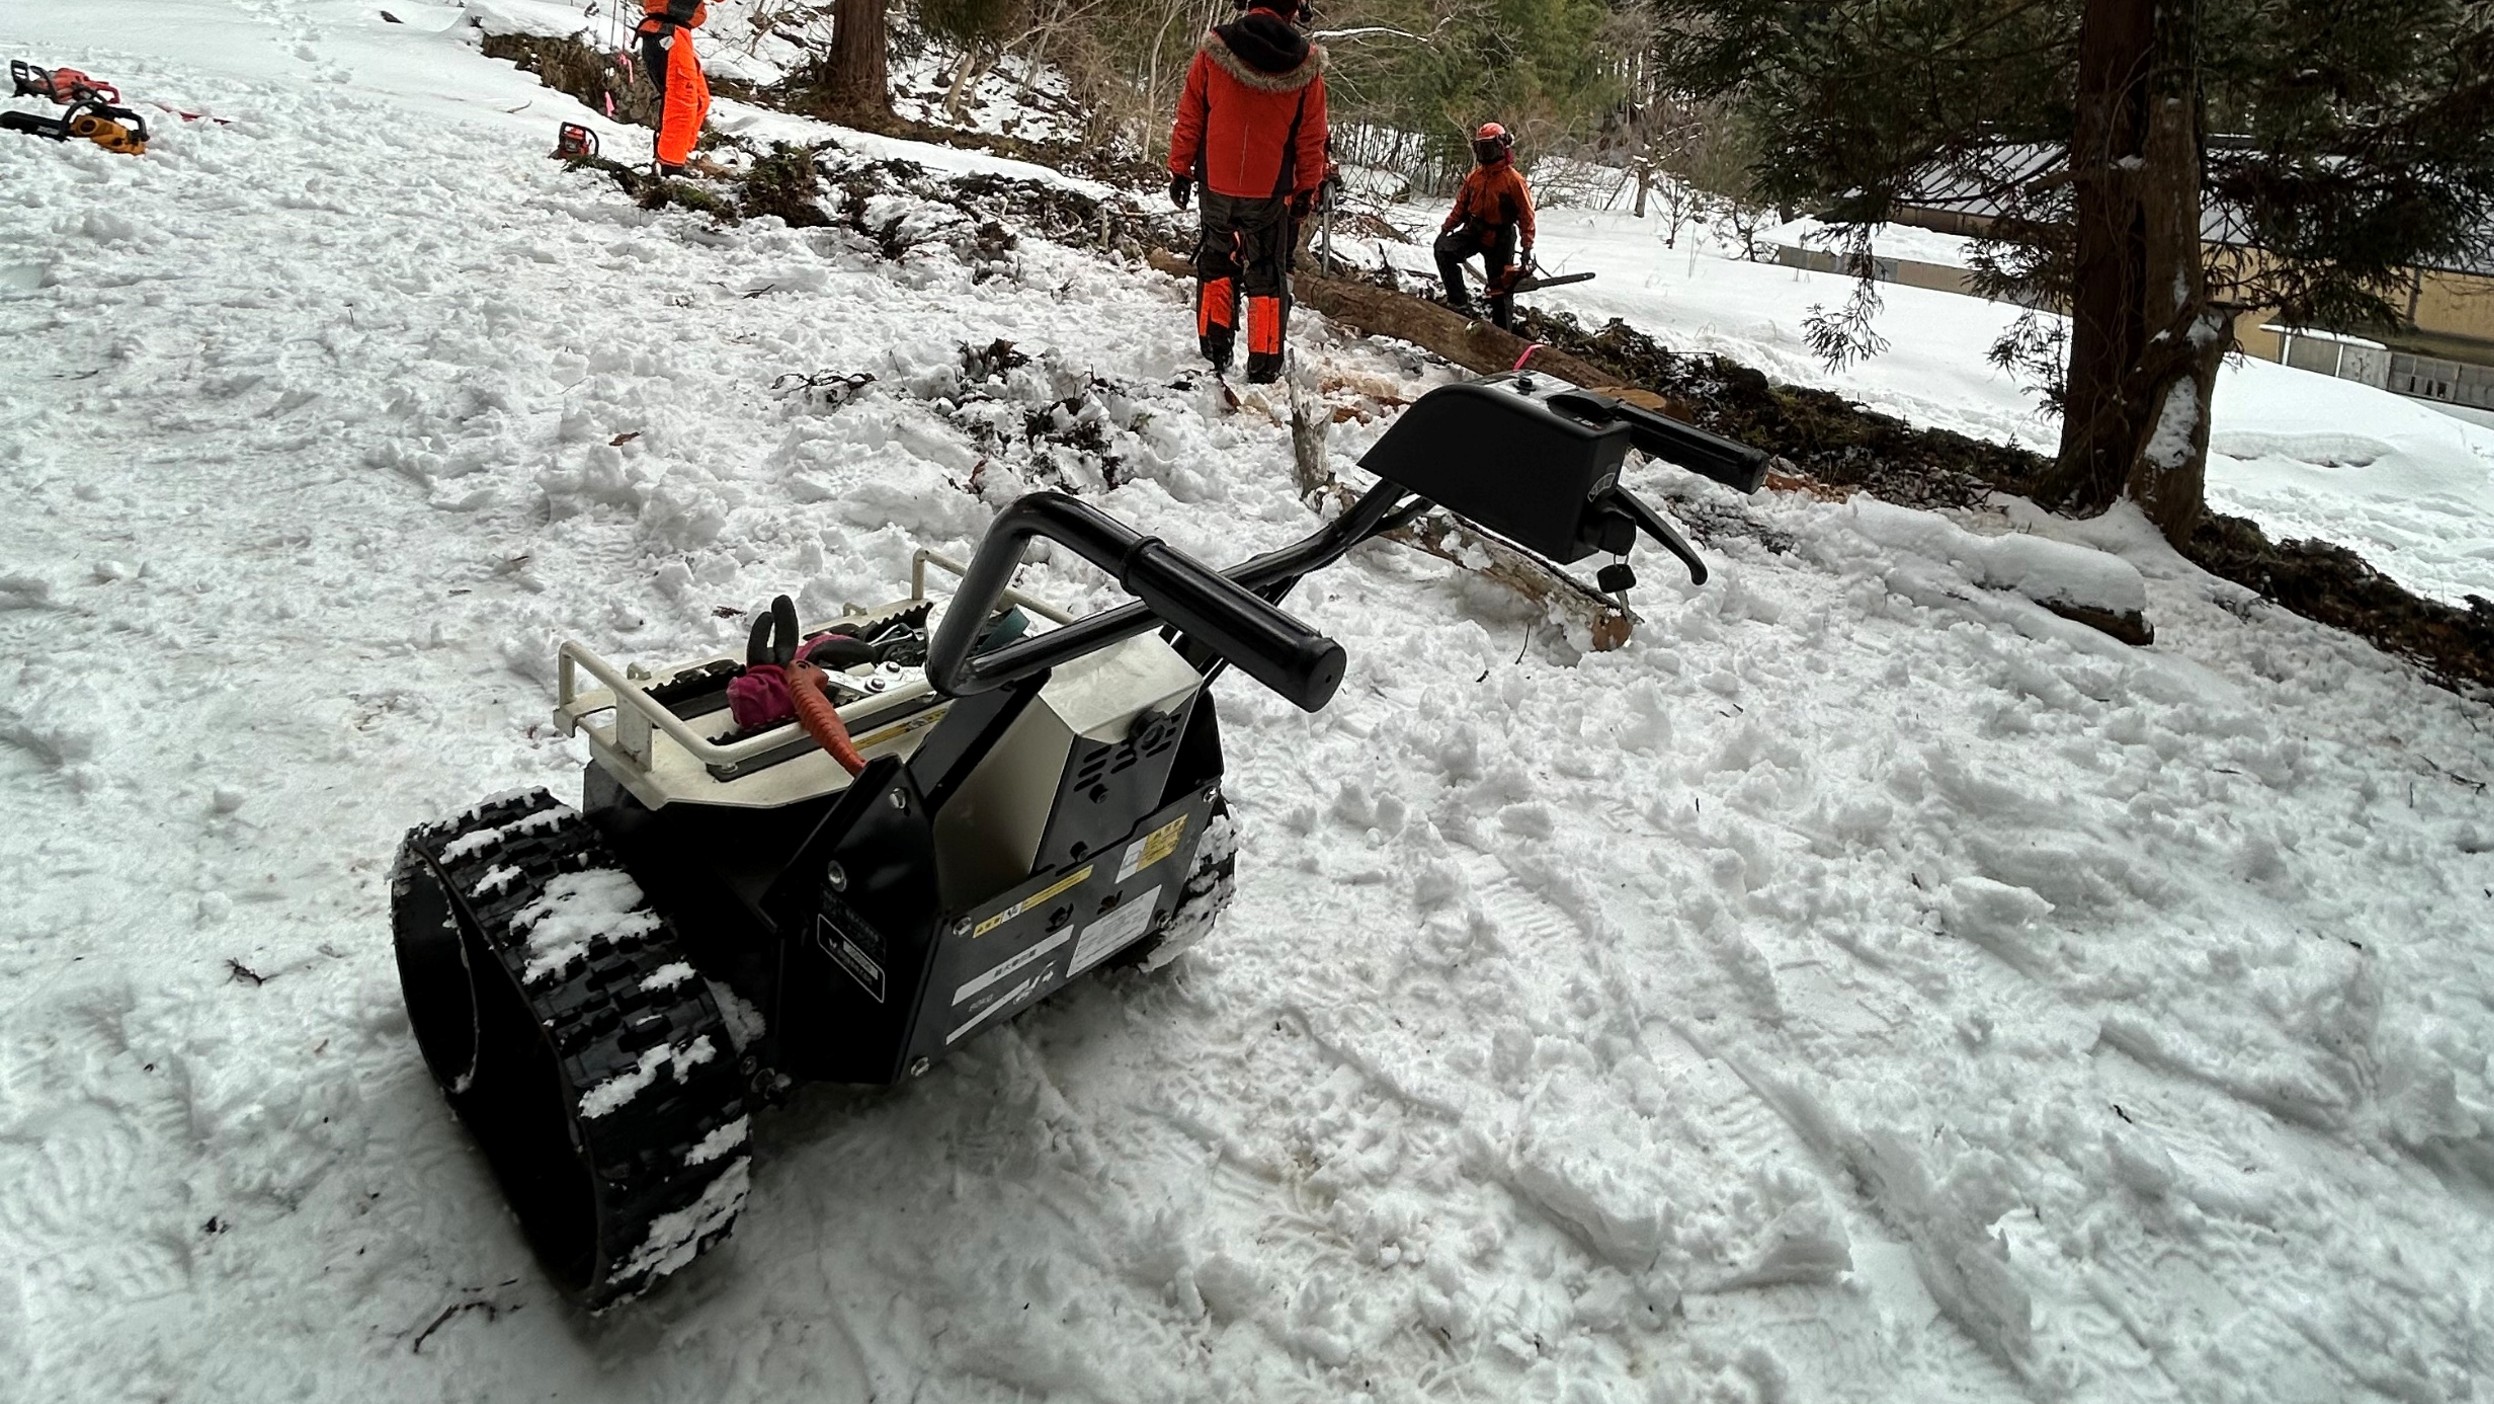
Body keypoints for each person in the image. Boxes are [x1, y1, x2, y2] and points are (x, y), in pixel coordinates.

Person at [1166, 0, 1329, 383]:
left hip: (1216, 181)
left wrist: (1180, 169)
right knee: (1267, 274)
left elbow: (1191, 113)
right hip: (1269, 188)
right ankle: (1263, 363)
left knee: (1217, 261)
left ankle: (1214, 348)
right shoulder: (1306, 64)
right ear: (1294, 10)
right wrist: (1307, 187)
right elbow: (1312, 137)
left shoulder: (1215, 47)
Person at [1435, 122, 1536, 329]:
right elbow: (1461, 206)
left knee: (1500, 289)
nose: (1484, 152)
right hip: (1474, 230)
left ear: (1500, 146)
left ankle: (1503, 335)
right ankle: (1459, 304)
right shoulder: (1475, 176)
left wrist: (1527, 247)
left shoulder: (1513, 180)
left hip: (1501, 237)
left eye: (1487, 147)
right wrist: (1446, 230)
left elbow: (1527, 215)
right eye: (1480, 147)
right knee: (1444, 251)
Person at [636, 0, 711, 176]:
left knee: (700, 100)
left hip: (676, 33)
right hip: (667, 31)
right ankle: (671, 169)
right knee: (682, 103)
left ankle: (678, 157)